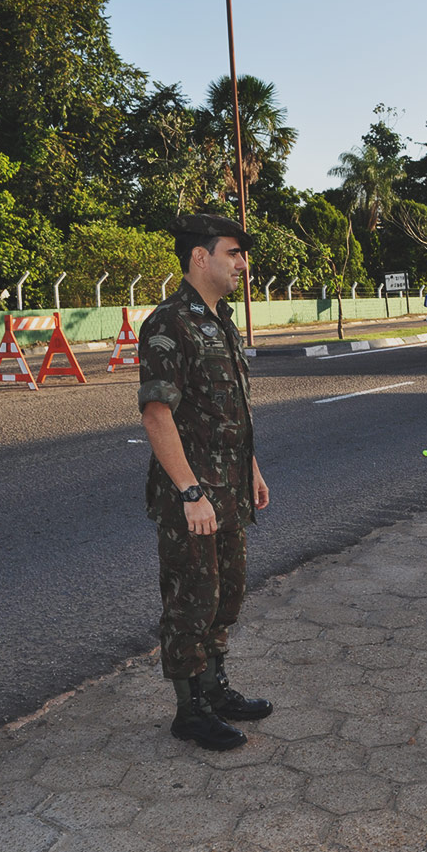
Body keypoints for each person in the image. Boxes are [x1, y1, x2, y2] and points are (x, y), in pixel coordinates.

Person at [138, 213, 272, 752]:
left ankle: (215, 690)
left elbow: (231, 409)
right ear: (201, 256)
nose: (242, 263)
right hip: (193, 494)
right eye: (233, 253)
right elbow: (156, 414)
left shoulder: (222, 321)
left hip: (231, 488)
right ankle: (189, 710)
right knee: (191, 599)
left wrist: (253, 469)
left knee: (227, 595)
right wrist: (191, 493)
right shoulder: (170, 322)